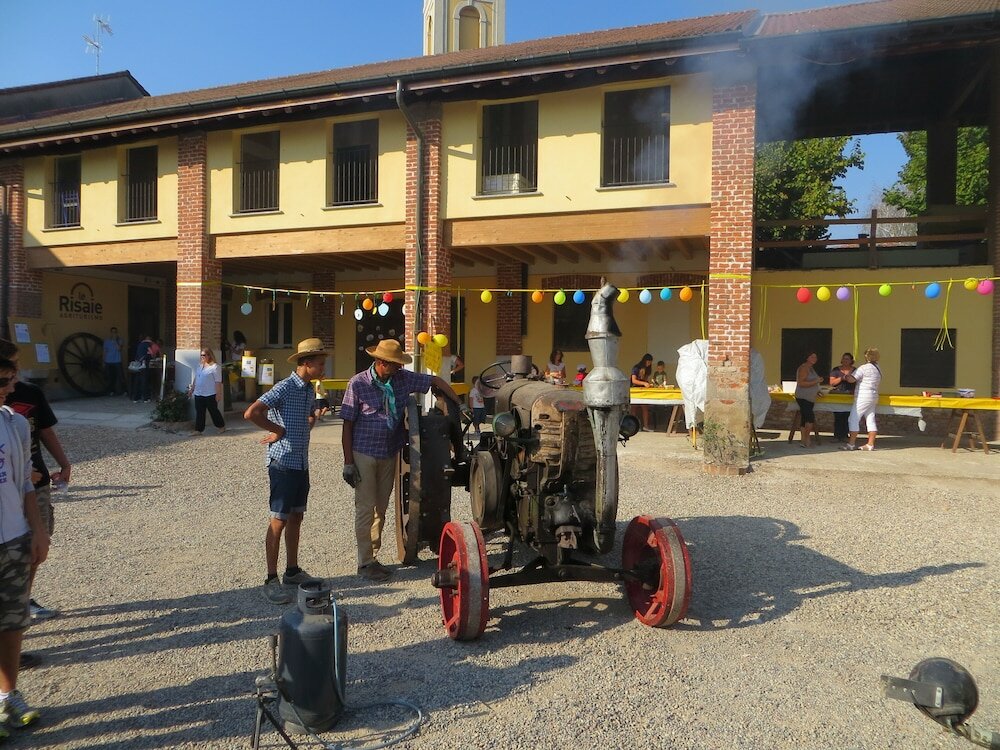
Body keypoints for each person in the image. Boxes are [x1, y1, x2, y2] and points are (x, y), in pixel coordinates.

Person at [340, 339, 467, 582]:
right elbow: (347, 425)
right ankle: (365, 562)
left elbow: (436, 381)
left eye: (399, 365)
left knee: (381, 508)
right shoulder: (357, 384)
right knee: (366, 508)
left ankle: (373, 557)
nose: (398, 368)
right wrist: (348, 462)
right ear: (380, 362)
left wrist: (458, 405)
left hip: (389, 454)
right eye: (393, 365)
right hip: (364, 452)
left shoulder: (402, 379)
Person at [244, 337, 329, 604]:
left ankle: (291, 570)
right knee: (278, 519)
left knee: (296, 517)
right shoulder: (284, 387)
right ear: (306, 364)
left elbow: (303, 424)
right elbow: (252, 412)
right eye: (320, 364)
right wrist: (277, 430)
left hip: (300, 463)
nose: (323, 368)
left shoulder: (307, 389)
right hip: (283, 462)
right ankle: (271, 578)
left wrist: (314, 419)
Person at [0, 339, 69, 643]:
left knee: (35, 548)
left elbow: (45, 430)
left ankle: (22, 601)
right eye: (11, 366)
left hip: (35, 486)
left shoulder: (29, 395)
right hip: (10, 487)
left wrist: (63, 463)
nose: (16, 374)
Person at [0, 357, 48, 735]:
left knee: (13, 622)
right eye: (4, 379)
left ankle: (8, 696)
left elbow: (25, 484)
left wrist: (37, 530)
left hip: (13, 537)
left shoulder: (13, 423)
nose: (11, 387)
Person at [843, 347, 882, 451]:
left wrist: (846, 375)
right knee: (870, 418)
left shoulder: (863, 368)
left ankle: (851, 444)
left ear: (866, 356)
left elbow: (852, 379)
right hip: (874, 395)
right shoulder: (878, 368)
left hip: (863, 395)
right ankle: (870, 444)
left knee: (853, 418)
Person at [187, 348, 226, 436]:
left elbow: (218, 381)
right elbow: (196, 378)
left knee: (213, 411)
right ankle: (198, 429)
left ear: (209, 355)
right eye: (201, 355)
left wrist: (218, 394)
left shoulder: (215, 367)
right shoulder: (199, 366)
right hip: (199, 392)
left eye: (204, 355)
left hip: (210, 393)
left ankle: (221, 426)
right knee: (200, 412)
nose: (202, 357)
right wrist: (192, 389)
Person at [794, 352, 823, 448]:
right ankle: (807, 439)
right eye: (812, 357)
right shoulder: (804, 368)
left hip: (810, 397)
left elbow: (811, 383)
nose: (815, 358)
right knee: (810, 418)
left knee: (805, 418)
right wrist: (817, 381)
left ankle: (803, 440)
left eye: (816, 357)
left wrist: (818, 391)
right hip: (803, 397)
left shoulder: (811, 368)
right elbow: (801, 383)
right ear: (807, 357)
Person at [829, 352, 856, 442]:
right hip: (838, 395)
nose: (845, 360)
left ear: (851, 361)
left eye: (847, 359)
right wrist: (841, 378)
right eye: (843, 358)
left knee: (847, 416)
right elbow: (832, 382)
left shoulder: (855, 370)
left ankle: (845, 435)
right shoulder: (836, 370)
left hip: (850, 396)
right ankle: (837, 435)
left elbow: (858, 381)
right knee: (838, 416)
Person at [630, 353, 654, 431]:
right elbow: (633, 380)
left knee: (645, 407)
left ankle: (646, 426)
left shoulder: (648, 369)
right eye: (648, 362)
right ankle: (633, 426)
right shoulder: (636, 368)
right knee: (634, 408)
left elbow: (646, 379)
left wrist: (648, 384)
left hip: (643, 390)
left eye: (650, 362)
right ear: (644, 361)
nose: (649, 364)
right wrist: (644, 383)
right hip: (635, 390)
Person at [130, 335, 154, 403]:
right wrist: (150, 354)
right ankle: (145, 398)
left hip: (138, 364)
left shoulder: (139, 345)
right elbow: (152, 353)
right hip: (144, 365)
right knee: (144, 381)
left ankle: (135, 398)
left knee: (137, 381)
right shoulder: (146, 344)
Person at [102, 327, 124, 396]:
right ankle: (112, 391)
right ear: (110, 333)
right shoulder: (106, 341)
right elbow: (104, 352)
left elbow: (119, 349)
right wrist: (103, 361)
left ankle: (124, 391)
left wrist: (115, 341)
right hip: (108, 361)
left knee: (121, 376)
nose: (114, 333)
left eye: (115, 332)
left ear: (117, 333)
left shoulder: (120, 340)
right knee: (110, 377)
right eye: (112, 332)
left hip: (117, 360)